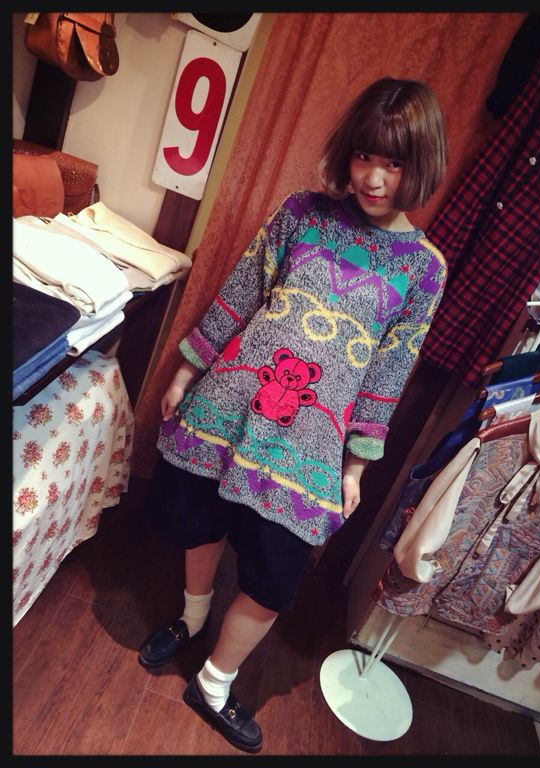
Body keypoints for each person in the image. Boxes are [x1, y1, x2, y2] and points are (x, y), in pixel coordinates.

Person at [138, 76, 448, 753]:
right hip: (230, 403)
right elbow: (244, 289)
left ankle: (214, 684)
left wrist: (357, 464)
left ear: (420, 165)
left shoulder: (425, 270)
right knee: (199, 521)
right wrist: (188, 368)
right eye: (364, 156)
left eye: (393, 164)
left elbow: (390, 370)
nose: (373, 178)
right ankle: (191, 617)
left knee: (275, 574)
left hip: (310, 440)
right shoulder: (303, 212)